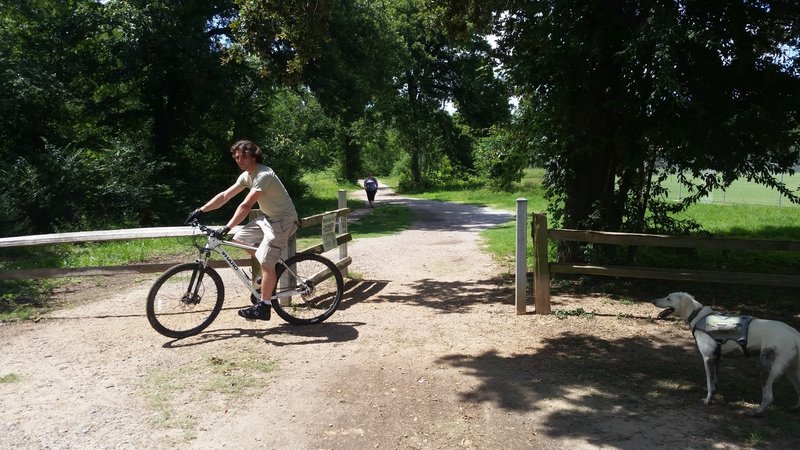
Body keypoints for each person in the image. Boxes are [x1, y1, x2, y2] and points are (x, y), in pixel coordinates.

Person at [185, 140, 298, 321]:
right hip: (268, 219)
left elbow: (246, 205)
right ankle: (271, 267)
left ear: (254, 156)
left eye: (243, 156)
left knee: (267, 262)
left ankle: (264, 307)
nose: (239, 160)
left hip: (284, 221)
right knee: (238, 239)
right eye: (236, 157)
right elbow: (224, 196)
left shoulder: (264, 174)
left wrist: (227, 227)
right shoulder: (247, 175)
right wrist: (201, 210)